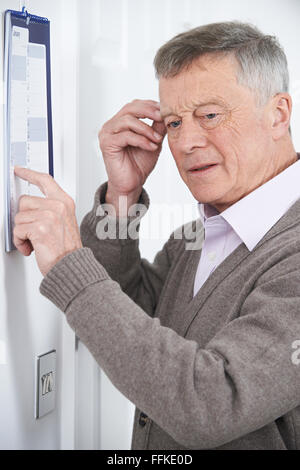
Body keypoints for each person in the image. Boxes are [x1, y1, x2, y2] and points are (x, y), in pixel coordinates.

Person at [13, 21, 300, 450]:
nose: (186, 142)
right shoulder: (199, 235)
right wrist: (122, 197)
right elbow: (130, 313)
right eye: (174, 122)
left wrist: (70, 265)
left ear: (277, 114)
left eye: (209, 115)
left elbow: (211, 403)